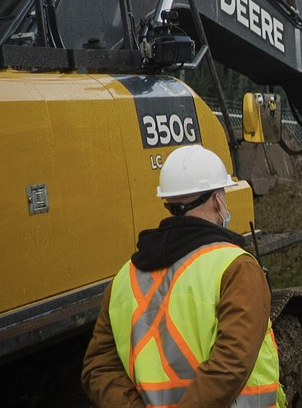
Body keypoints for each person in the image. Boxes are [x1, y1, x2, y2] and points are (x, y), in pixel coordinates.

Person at [81, 144, 285, 408]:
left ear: (169, 205)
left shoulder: (124, 278)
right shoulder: (236, 267)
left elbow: (98, 368)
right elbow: (232, 362)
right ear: (217, 200)